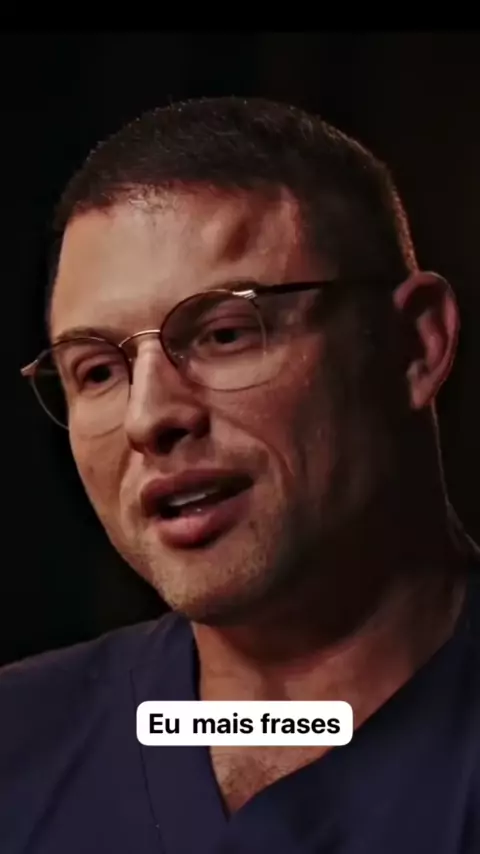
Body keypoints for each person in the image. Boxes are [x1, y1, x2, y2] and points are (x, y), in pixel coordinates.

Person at [2, 96, 479, 854]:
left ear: (413, 347)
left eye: (224, 334)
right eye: (97, 371)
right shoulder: (18, 748)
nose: (149, 418)